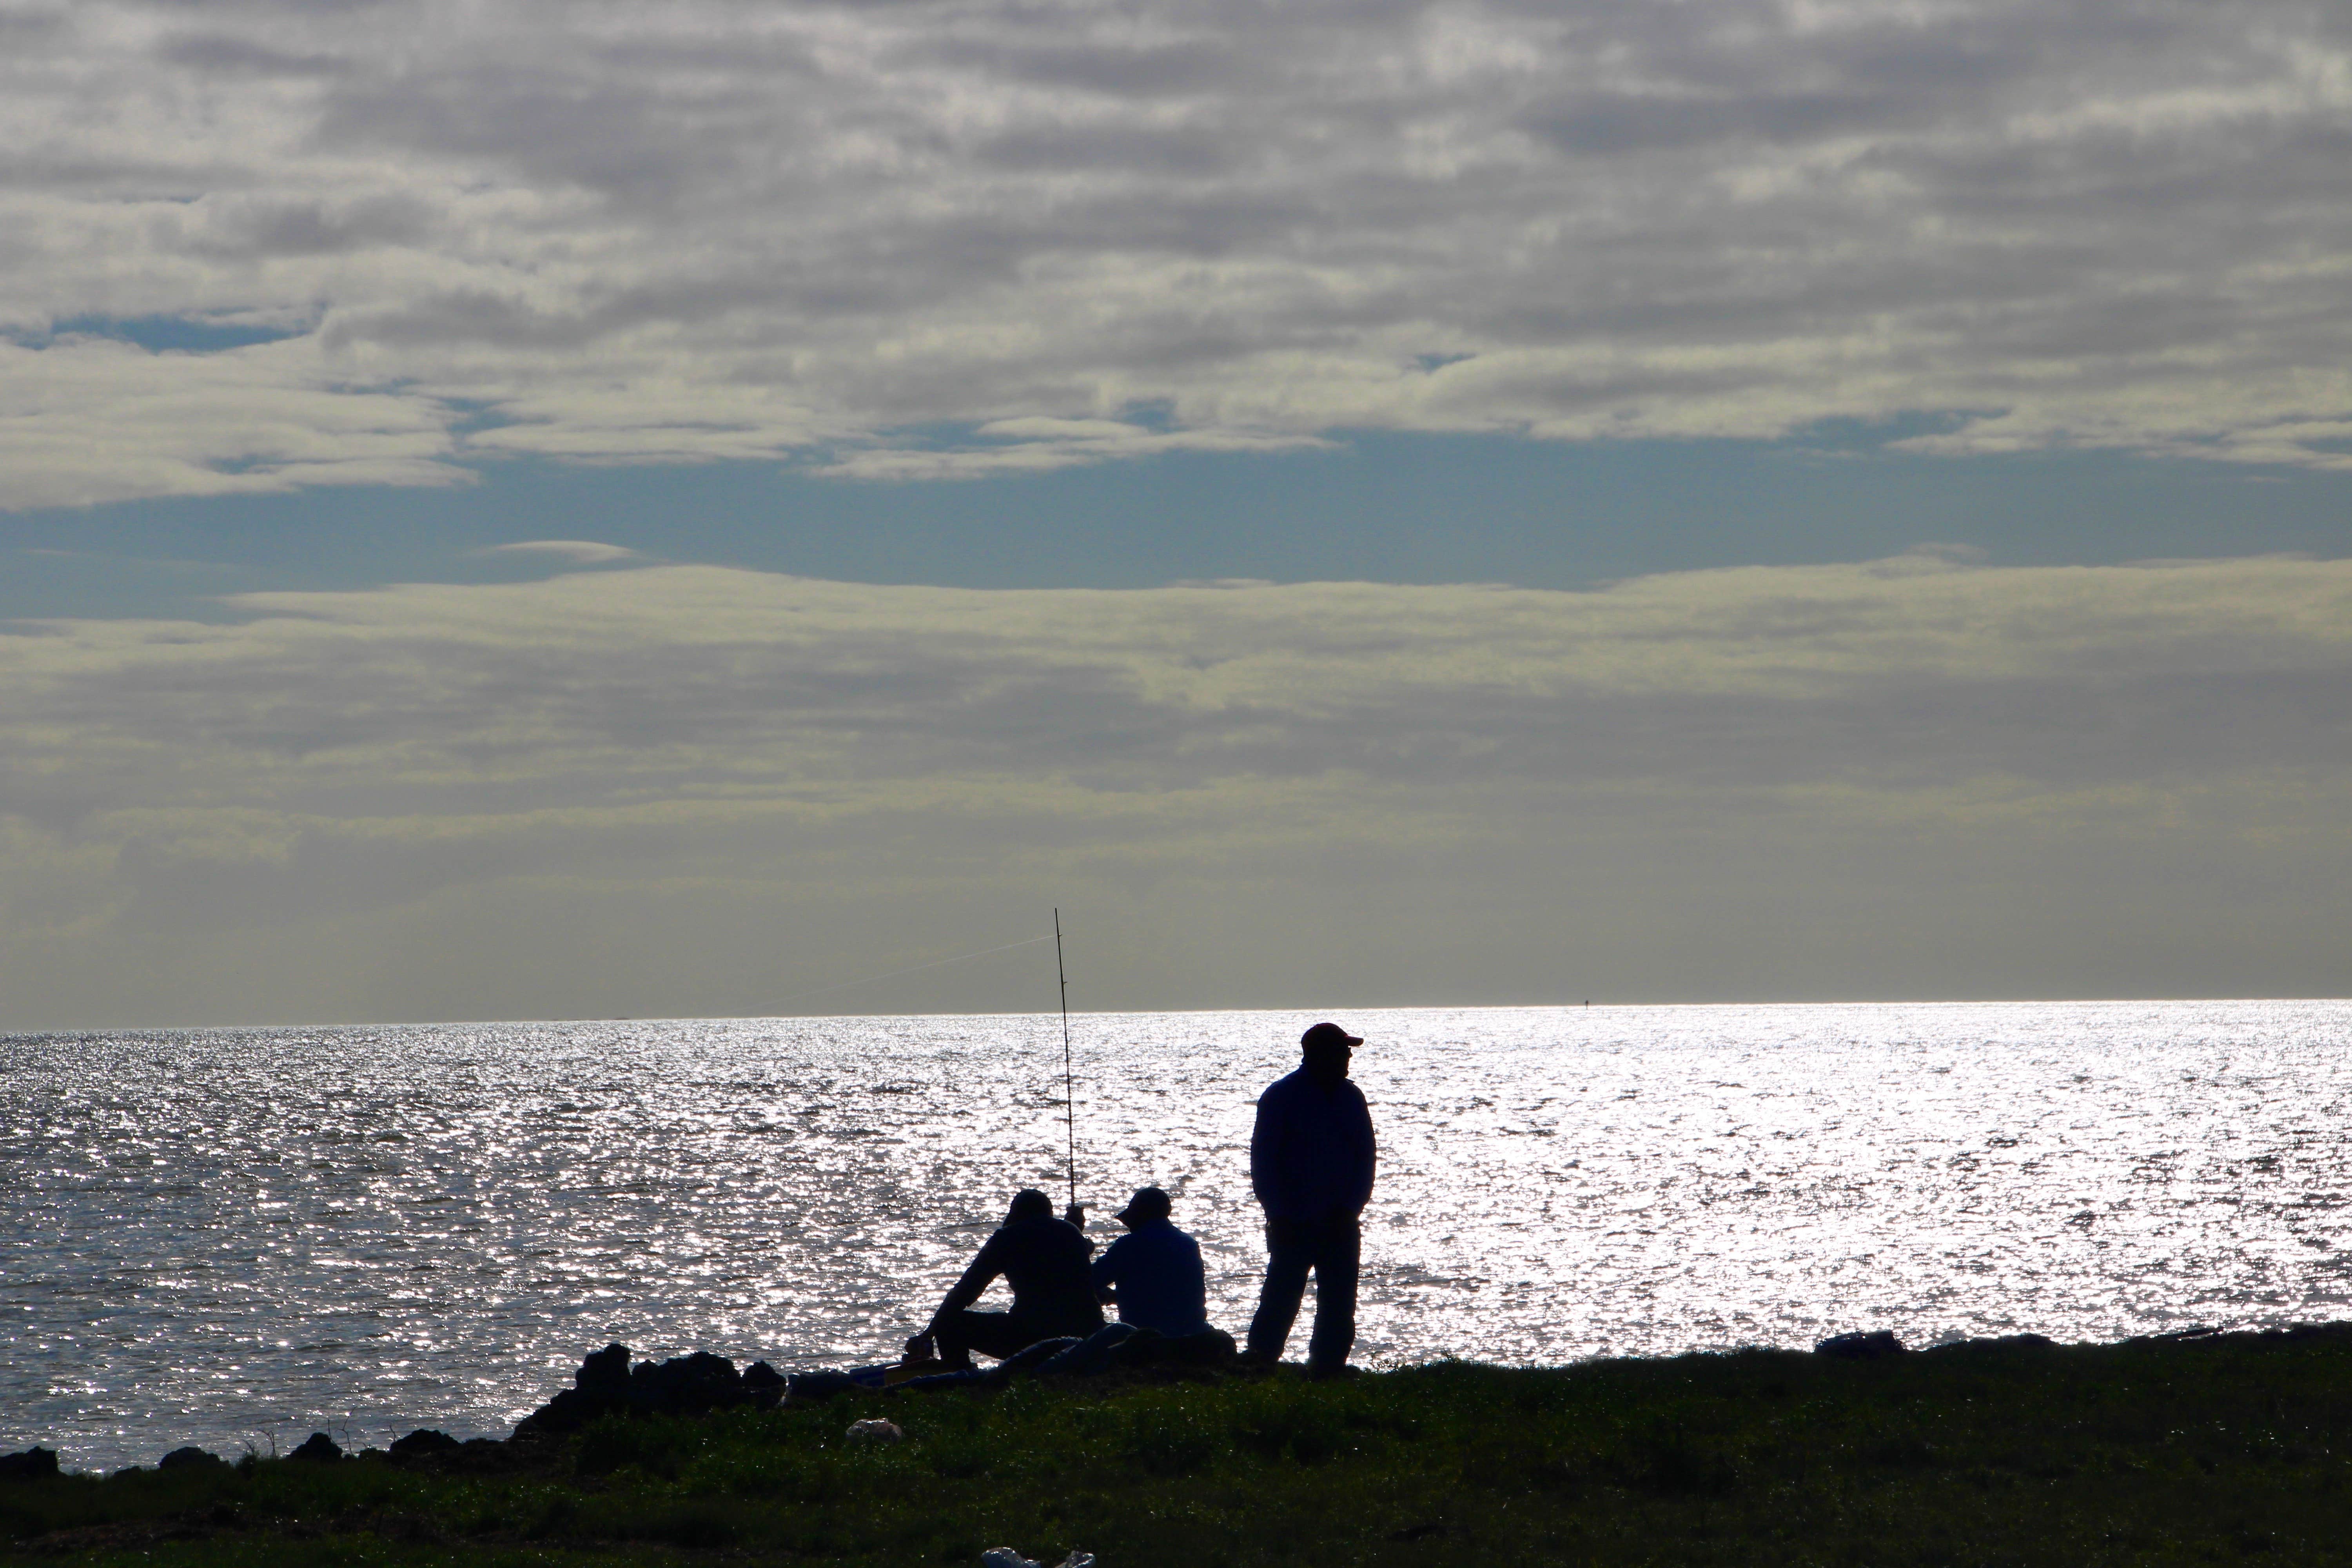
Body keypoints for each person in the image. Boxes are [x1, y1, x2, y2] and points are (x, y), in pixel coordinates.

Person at [1245, 1020, 1375, 1376]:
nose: (1349, 1056)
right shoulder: (1281, 1096)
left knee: (1339, 1304)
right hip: (1294, 1222)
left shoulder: (1351, 1096)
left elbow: (1366, 1156)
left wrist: (1351, 1207)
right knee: (1281, 1300)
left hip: (1340, 1221)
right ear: (1320, 1054)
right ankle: (1260, 1365)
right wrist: (1280, 1213)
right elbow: (1264, 1161)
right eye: (1342, 1050)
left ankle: (1327, 1369)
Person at [907, 1189, 1102, 1370]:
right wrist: (1073, 1226)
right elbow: (1074, 1248)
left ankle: (962, 1377)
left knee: (949, 1323)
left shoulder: (1007, 1238)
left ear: (1015, 1214)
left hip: (1033, 1335)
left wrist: (929, 1334)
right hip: (1086, 1331)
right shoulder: (1073, 1234)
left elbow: (965, 1292)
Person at [1090, 1185, 1210, 1338]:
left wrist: (1075, 1232)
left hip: (1147, 1337)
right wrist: (1115, 1297)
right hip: (1194, 1333)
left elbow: (1088, 1282)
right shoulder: (1189, 1244)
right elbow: (1165, 1292)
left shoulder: (1129, 1245)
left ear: (1141, 1215)